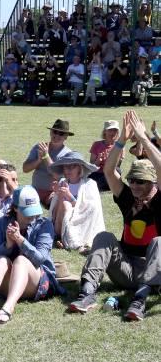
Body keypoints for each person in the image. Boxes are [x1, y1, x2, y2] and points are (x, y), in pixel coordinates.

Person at [69, 111, 161, 321]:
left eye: (141, 182)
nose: (135, 185)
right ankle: (87, 292)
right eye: (133, 181)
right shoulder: (129, 197)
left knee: (160, 241)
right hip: (127, 269)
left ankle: (140, 300)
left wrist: (144, 138)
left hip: (155, 272)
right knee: (104, 237)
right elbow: (109, 171)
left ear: (152, 183)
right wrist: (121, 140)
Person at [0, 185, 63, 324]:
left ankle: (8, 308)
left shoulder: (45, 225)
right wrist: (7, 245)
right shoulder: (1, 224)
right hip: (7, 282)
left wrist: (20, 241)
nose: (32, 216)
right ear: (15, 208)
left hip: (37, 282)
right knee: (1, 259)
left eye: (34, 211)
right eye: (27, 212)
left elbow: (40, 259)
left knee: (21, 260)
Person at [48, 151, 104, 251]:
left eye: (73, 166)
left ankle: (65, 240)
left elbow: (90, 211)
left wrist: (69, 196)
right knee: (65, 205)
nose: (68, 169)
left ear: (80, 168)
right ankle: (67, 240)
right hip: (59, 224)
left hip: (80, 224)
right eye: (66, 166)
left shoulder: (90, 184)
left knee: (67, 205)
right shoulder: (61, 182)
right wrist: (59, 195)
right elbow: (55, 212)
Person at [23, 119, 73, 206]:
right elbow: (25, 169)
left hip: (53, 193)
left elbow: (57, 175)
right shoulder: (39, 147)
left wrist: (46, 156)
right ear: (50, 132)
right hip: (34, 190)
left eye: (61, 133)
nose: (57, 135)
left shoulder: (68, 154)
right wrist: (38, 160)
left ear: (66, 137)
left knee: (60, 205)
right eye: (55, 131)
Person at [88, 120, 123, 191]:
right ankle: (104, 185)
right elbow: (91, 166)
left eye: (115, 130)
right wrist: (98, 160)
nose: (112, 133)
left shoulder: (119, 147)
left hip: (110, 174)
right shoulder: (97, 144)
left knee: (117, 171)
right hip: (97, 174)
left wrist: (109, 161)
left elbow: (117, 166)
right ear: (104, 131)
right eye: (110, 130)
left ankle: (98, 185)